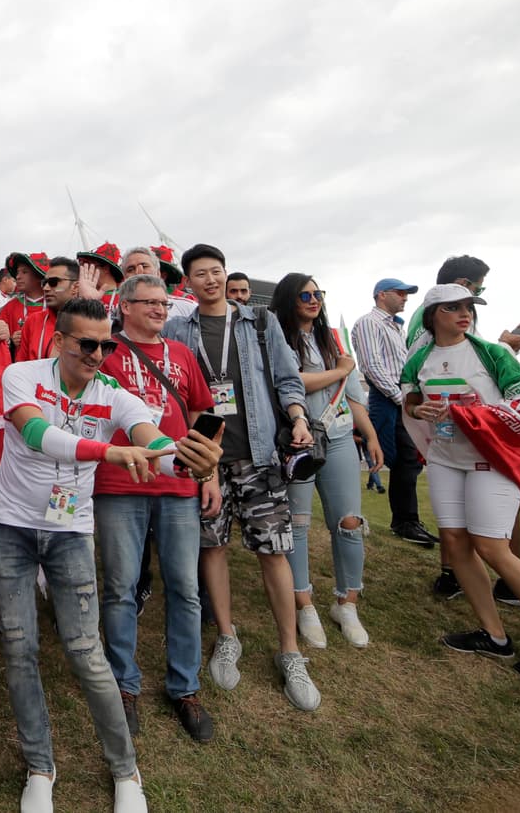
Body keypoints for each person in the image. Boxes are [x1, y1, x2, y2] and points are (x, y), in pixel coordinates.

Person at [0, 297, 220, 813]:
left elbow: (151, 441)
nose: (98, 355)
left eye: (106, 345)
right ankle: (39, 767)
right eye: (86, 344)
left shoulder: (113, 393)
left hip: (70, 531)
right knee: (19, 650)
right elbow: (34, 433)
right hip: (11, 528)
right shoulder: (23, 374)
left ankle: (125, 770)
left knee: (87, 654)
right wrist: (109, 452)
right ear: (59, 341)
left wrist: (185, 462)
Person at [163, 244, 322, 711]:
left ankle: (290, 651)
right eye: (200, 274)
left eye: (216, 272)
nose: (209, 280)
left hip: (258, 454)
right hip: (206, 458)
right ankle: (228, 635)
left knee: (274, 550)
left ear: (226, 274)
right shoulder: (177, 328)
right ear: (188, 283)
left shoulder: (260, 321)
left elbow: (288, 379)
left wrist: (296, 417)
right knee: (213, 547)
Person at [400, 284, 520, 682]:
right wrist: (422, 408)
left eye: (468, 307)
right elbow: (409, 400)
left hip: (490, 459)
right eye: (453, 307)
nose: (464, 313)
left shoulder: (493, 352)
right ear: (433, 314)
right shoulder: (419, 357)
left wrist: (476, 414)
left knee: (493, 547)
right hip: (444, 459)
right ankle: (494, 635)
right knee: (454, 543)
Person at [93, 275, 219, 743]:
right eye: (149, 303)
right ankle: (123, 685)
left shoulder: (183, 355)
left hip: (179, 485)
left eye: (164, 303)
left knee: (186, 589)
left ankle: (184, 688)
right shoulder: (105, 351)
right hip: (119, 482)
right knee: (121, 587)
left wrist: (212, 476)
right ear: (124, 306)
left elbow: (200, 419)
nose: (160, 310)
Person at [271, 274, 382, 649]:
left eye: (319, 293)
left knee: (349, 523)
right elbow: (290, 383)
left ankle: (347, 602)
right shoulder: (275, 338)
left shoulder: (332, 338)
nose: (314, 299)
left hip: (338, 438)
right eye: (306, 293)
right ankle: (303, 603)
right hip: (299, 441)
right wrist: (339, 370)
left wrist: (370, 436)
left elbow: (352, 395)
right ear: (289, 298)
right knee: (297, 525)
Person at [350, 278, 439, 549]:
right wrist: (401, 398)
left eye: (406, 294)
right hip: (387, 397)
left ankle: (407, 519)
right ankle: (404, 521)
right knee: (396, 457)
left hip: (395, 397)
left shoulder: (394, 328)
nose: (405, 298)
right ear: (381, 295)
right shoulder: (370, 322)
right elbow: (372, 365)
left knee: (407, 460)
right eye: (400, 293)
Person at [16, 256, 80, 362]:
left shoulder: (89, 323)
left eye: (53, 282)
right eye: (44, 283)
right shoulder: (33, 322)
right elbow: (21, 367)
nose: (46, 288)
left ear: (75, 287)